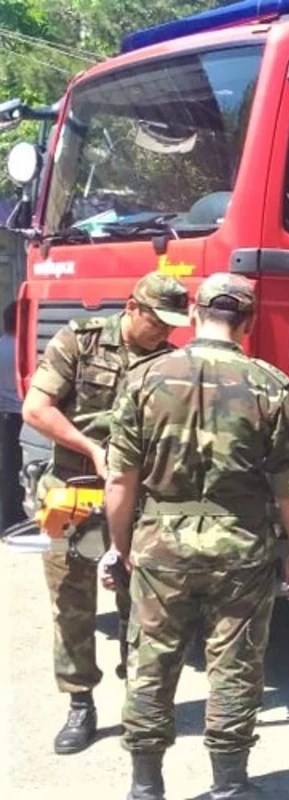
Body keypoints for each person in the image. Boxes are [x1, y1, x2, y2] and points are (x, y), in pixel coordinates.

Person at [105, 273, 289, 800]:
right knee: (235, 663)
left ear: (194, 313)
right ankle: (229, 784)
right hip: (240, 543)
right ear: (246, 323)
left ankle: (146, 785)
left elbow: (120, 477)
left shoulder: (144, 377)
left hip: (159, 540)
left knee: (151, 660)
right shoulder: (268, 384)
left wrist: (121, 545)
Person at [21, 272, 189, 755]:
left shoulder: (171, 361)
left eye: (172, 323)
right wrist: (92, 449)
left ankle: (140, 703)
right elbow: (37, 408)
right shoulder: (81, 338)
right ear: (133, 307)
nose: (164, 331)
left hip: (139, 501)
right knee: (72, 605)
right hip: (75, 492)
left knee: (140, 606)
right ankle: (80, 704)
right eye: (157, 320)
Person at [1, 301, 26, 531]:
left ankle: (9, 517)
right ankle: (17, 517)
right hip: (24, 416)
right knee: (21, 469)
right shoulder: (24, 350)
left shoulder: (1, 346)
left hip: (6, 416)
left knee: (8, 468)